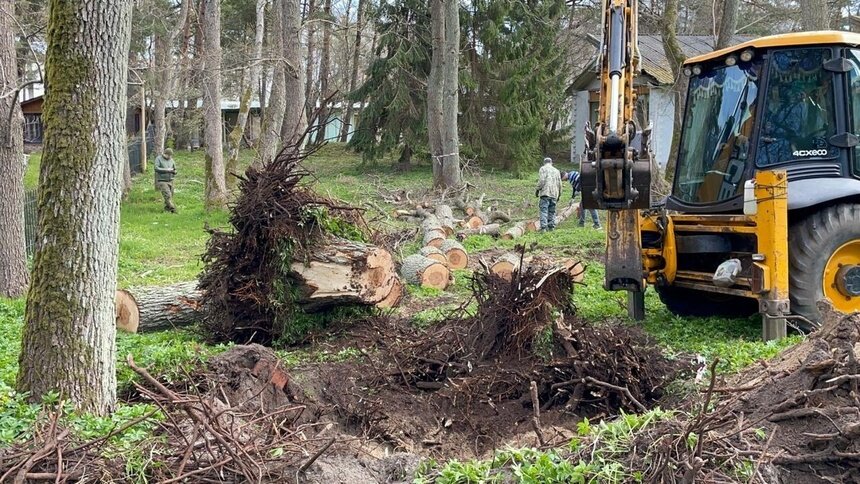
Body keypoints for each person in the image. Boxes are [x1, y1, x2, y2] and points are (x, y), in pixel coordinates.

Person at [536, 157, 562, 231]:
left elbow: (542, 180)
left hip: (545, 193)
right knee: (552, 211)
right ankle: (551, 227)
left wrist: (537, 189)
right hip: (554, 194)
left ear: (544, 162)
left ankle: (543, 228)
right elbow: (559, 184)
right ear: (551, 163)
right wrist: (559, 194)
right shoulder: (556, 171)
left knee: (544, 210)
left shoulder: (543, 169)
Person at [154, 148, 177, 213]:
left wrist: (174, 171)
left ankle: (167, 209)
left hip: (171, 180)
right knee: (167, 195)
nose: (169, 157)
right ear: (164, 154)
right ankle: (173, 209)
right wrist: (167, 170)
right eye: (168, 155)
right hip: (162, 180)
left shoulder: (171, 160)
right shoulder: (158, 159)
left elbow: (175, 169)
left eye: (170, 155)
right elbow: (156, 168)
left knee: (171, 195)